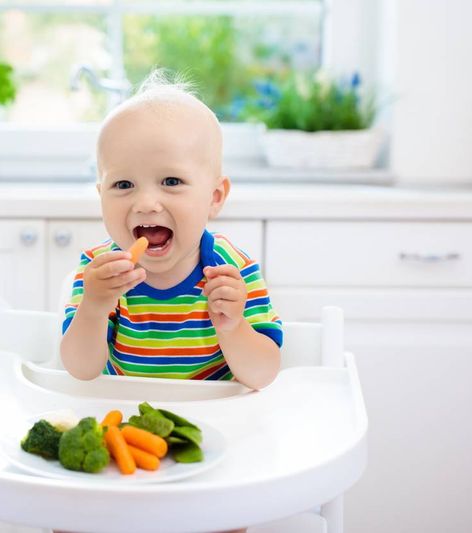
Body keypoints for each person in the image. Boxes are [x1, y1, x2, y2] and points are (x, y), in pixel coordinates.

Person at [58, 70, 283, 533]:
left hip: (215, 440)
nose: (145, 203)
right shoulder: (98, 271)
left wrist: (233, 327)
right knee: (66, 517)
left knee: (226, 519)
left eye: (171, 181)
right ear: (100, 195)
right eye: (123, 186)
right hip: (122, 436)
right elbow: (80, 369)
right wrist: (95, 305)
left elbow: (262, 373)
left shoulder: (231, 271)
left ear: (215, 196)